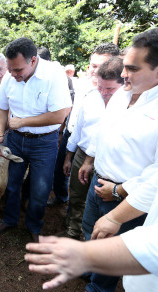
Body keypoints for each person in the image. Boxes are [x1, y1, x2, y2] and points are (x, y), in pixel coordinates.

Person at [72, 26, 158, 292]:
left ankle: (99, 288)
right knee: (90, 227)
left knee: (112, 240)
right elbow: (106, 130)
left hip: (127, 197)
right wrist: (91, 160)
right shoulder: (127, 90)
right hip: (100, 180)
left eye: (132, 67)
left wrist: (119, 196)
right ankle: (91, 268)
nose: (123, 73)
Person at [25, 143, 158, 292]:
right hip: (148, 289)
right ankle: (94, 271)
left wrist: (87, 255)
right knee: (91, 228)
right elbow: (157, 180)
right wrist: (114, 217)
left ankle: (99, 288)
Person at [0, 38, 71, 242]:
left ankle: (34, 226)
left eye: (18, 70)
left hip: (44, 143)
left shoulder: (54, 76)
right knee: (11, 183)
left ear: (33, 60)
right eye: (10, 69)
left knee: (40, 189)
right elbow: (2, 107)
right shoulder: (10, 77)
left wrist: (22, 122)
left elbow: (59, 115)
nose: (13, 75)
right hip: (16, 140)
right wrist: (1, 131)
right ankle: (10, 219)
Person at [60, 57, 124, 239]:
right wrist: (68, 157)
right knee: (76, 196)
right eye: (100, 87)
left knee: (99, 201)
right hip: (83, 154)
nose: (103, 92)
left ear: (123, 82)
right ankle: (73, 231)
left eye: (109, 89)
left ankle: (94, 238)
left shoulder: (129, 105)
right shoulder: (90, 98)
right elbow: (78, 131)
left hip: (109, 160)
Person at [49, 43, 119, 207]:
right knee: (61, 170)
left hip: (96, 146)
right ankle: (62, 198)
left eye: (102, 66)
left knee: (89, 182)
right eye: (94, 65)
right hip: (72, 135)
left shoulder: (118, 94)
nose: (97, 70)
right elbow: (71, 111)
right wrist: (62, 133)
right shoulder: (81, 85)